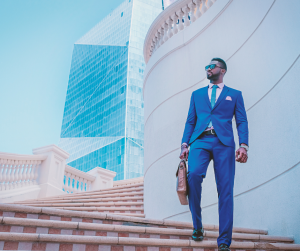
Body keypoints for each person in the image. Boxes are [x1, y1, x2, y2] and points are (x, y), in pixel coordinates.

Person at [179, 58, 249, 251]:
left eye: (212, 66)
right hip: (200, 141)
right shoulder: (197, 94)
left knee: (225, 189)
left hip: (224, 143)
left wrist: (243, 145)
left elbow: (241, 121)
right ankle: (198, 226)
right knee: (193, 176)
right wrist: (185, 144)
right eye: (207, 67)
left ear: (223, 70)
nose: (208, 69)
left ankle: (224, 241)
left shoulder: (234, 95)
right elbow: (190, 121)